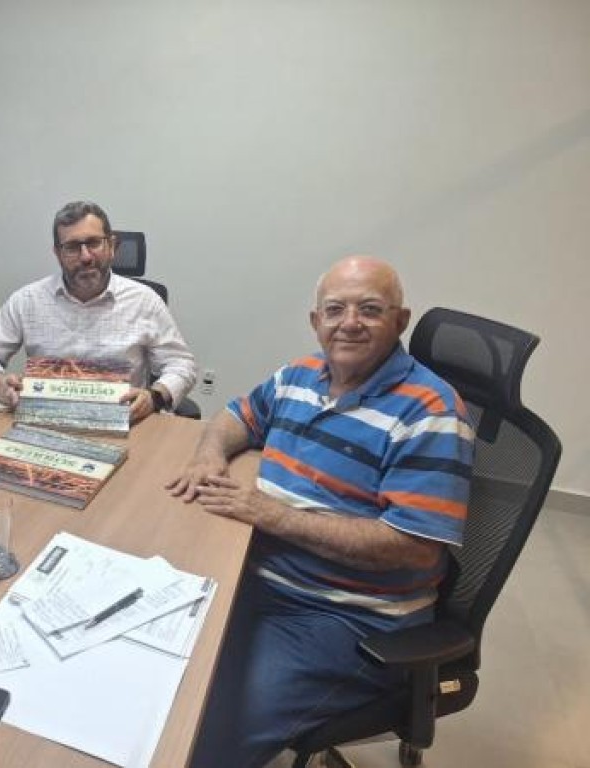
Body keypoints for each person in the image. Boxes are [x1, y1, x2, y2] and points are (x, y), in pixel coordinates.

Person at [167, 256, 474, 768]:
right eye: (335, 309)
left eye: (369, 309)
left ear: (400, 320)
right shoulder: (301, 373)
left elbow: (412, 548)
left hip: (344, 618)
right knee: (151, 670)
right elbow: (236, 415)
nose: (349, 323)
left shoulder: (432, 413)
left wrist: (270, 515)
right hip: (251, 575)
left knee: (199, 735)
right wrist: (208, 456)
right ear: (316, 321)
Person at [0, 200, 196, 423]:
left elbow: (181, 365)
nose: (85, 257)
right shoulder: (27, 300)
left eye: (94, 243)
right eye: (72, 247)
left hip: (124, 422)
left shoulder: (145, 301)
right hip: (45, 421)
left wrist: (154, 397)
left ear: (112, 246)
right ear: (58, 254)